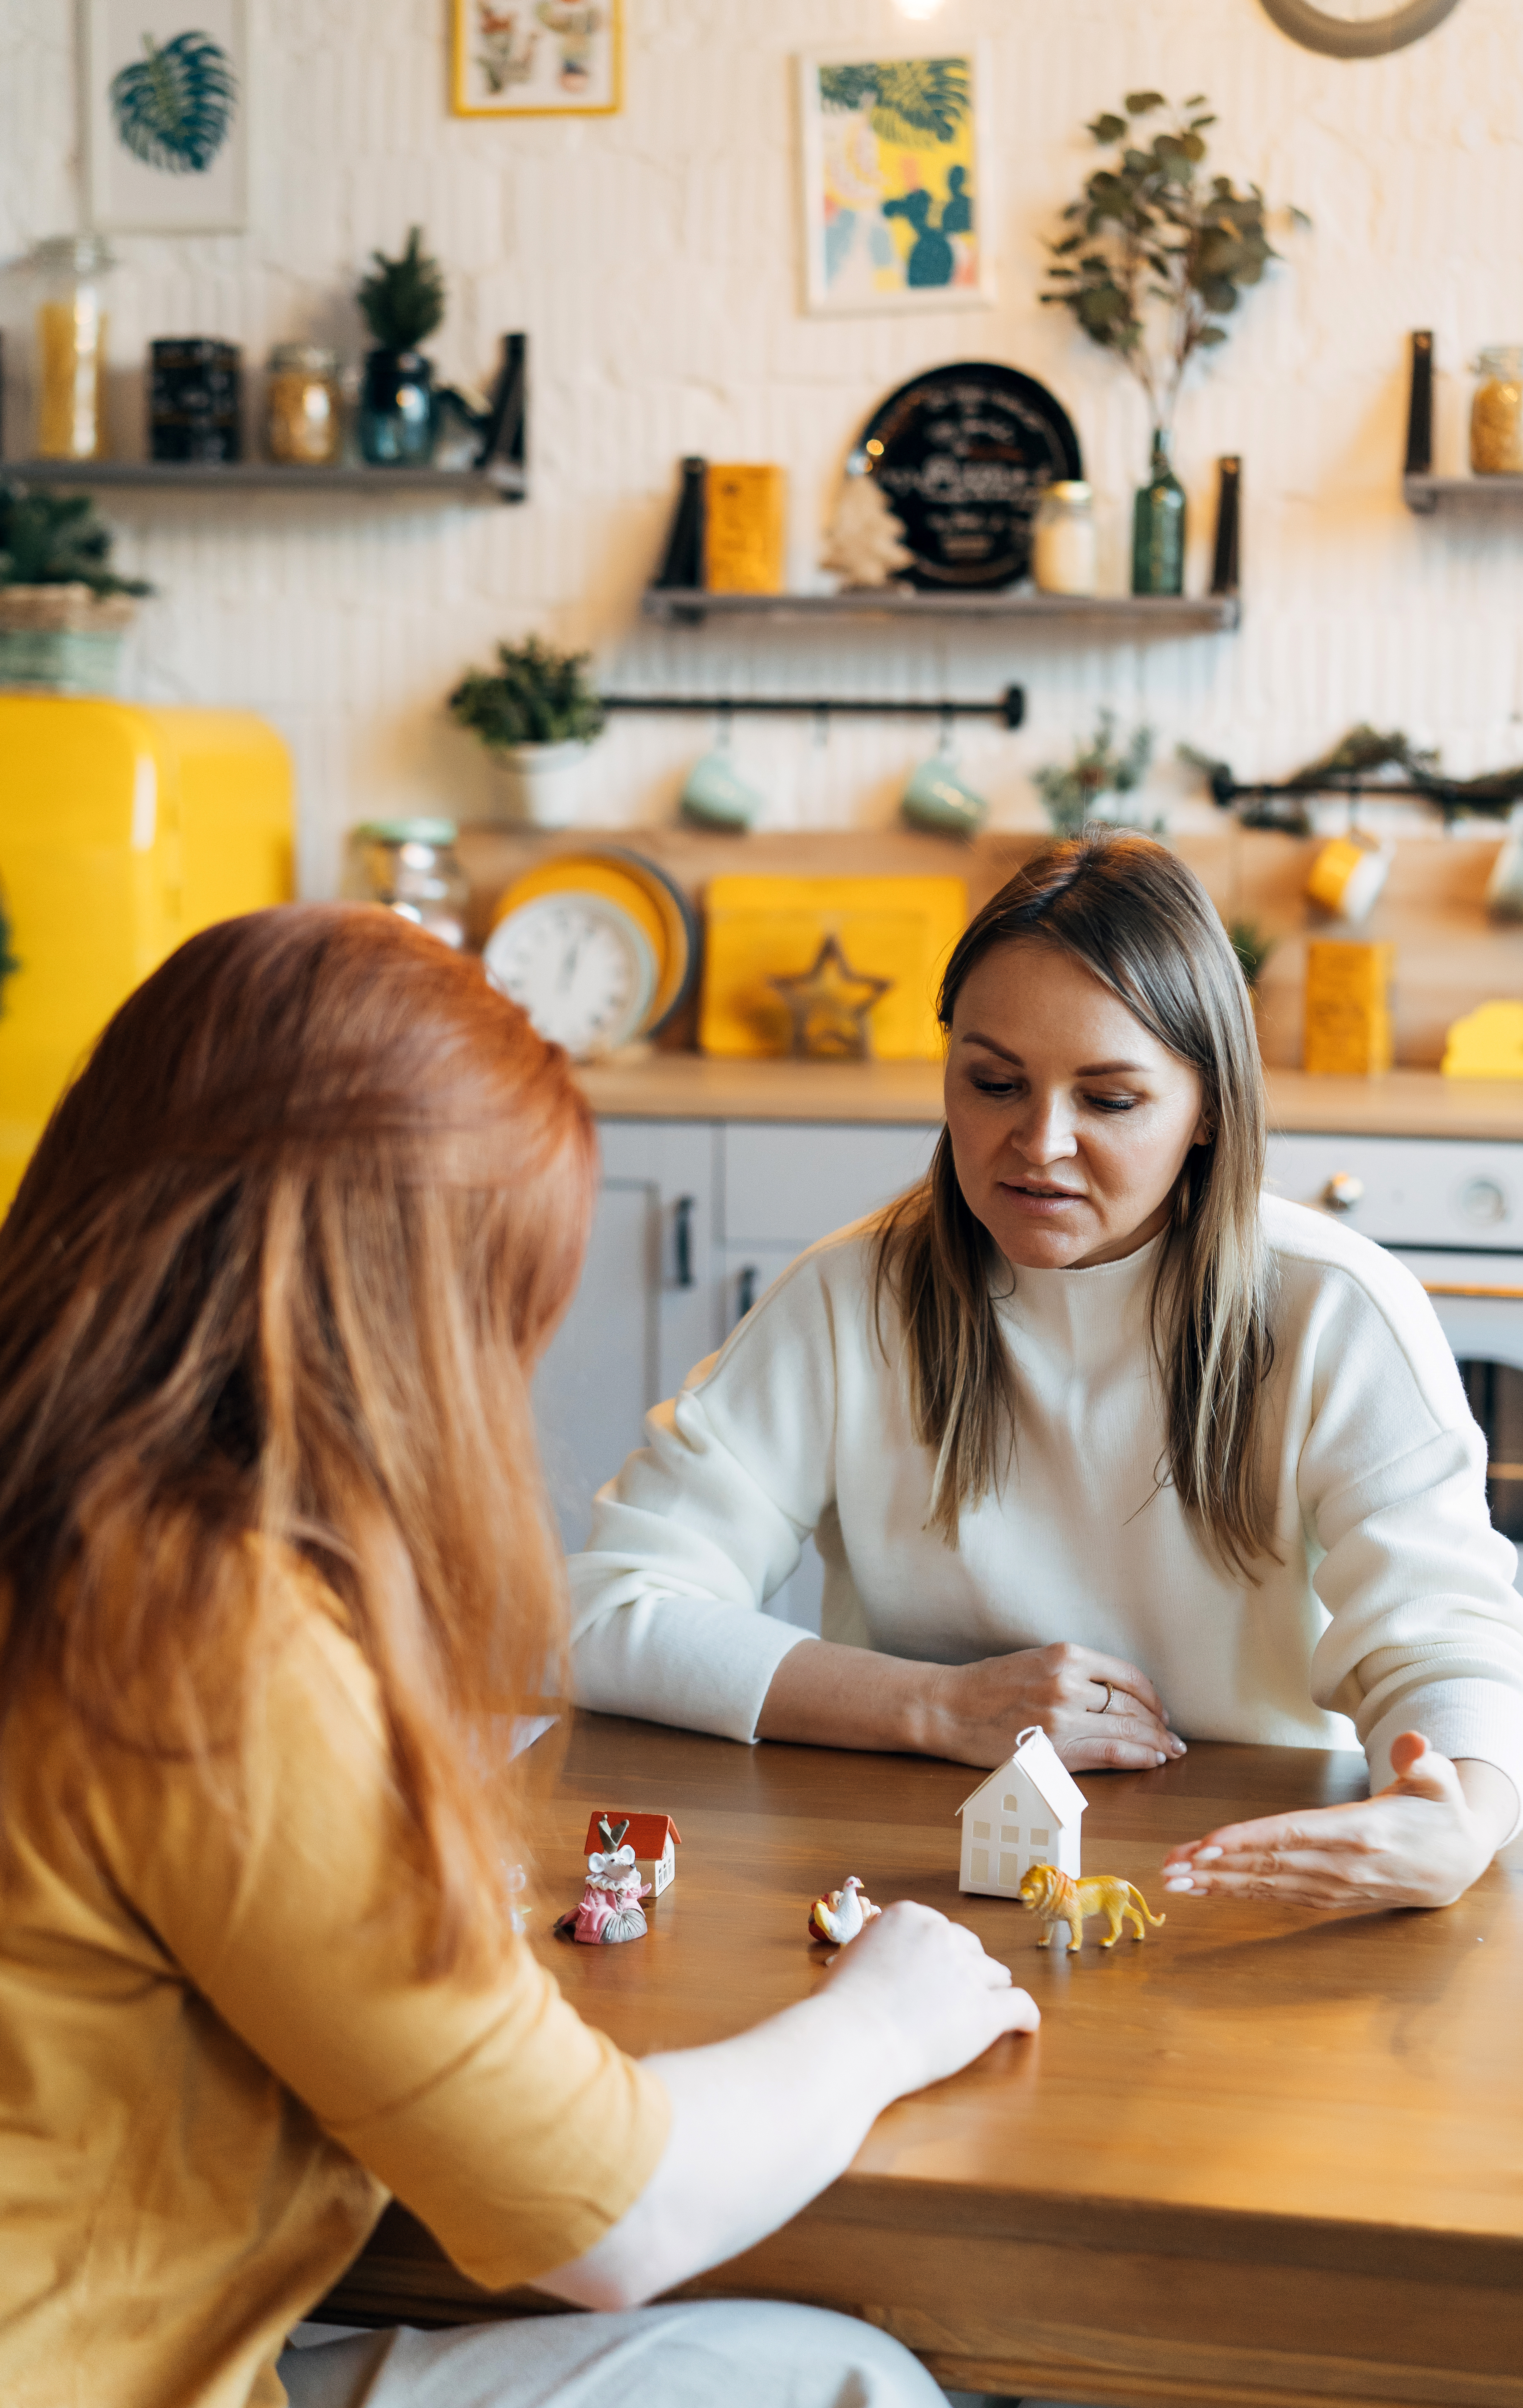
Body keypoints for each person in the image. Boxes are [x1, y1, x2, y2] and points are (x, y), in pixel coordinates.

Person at [0, 905, 1037, 2408]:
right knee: (842, 2382)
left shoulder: (72, 1511)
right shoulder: (206, 1629)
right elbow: (613, 2217)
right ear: (403, 1308)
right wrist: (880, 2021)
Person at [569, 834, 1523, 1913]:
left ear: (1209, 1108)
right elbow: (604, 1612)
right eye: (994, 1083)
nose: (1038, 1144)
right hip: (919, 1882)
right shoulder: (851, 1296)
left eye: (1110, 1100)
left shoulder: (1334, 1311)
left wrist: (1459, 1814)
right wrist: (935, 1708)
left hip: (1243, 1876)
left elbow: (1455, 1640)